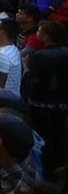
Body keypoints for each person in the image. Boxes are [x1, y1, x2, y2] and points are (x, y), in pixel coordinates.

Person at [21, 20, 68, 179]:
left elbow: (31, 84)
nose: (37, 34)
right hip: (62, 104)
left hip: (40, 105)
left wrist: (26, 69)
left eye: (40, 31)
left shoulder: (38, 56)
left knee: (44, 137)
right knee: (59, 135)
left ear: (46, 36)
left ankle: (46, 170)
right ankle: (58, 165)